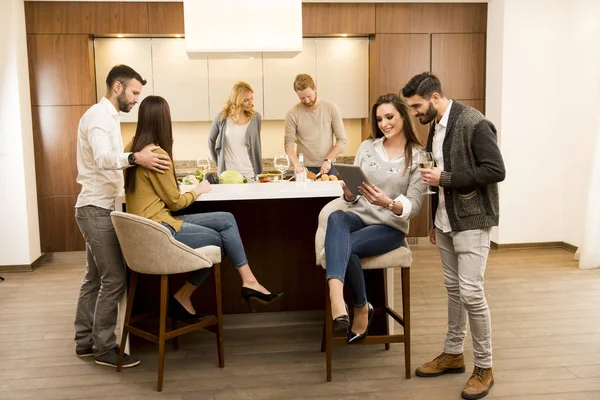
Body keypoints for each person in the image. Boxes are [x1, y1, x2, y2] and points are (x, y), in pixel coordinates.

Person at [125, 96, 282, 318]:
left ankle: (249, 281)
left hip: (151, 226)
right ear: (163, 121)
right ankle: (198, 291)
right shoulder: (157, 155)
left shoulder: (132, 150)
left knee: (227, 220)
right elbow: (176, 202)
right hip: (160, 229)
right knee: (225, 241)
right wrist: (198, 189)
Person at [401, 72, 506, 400]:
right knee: (453, 290)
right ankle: (453, 354)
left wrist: (445, 177)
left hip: (473, 220)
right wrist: (435, 220)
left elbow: (496, 170)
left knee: (472, 293)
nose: (414, 113)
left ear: (434, 98)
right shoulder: (435, 125)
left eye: (417, 106)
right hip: (447, 221)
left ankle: (484, 367)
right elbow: (435, 176)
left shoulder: (474, 122)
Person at [74, 64, 172, 368]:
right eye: (134, 92)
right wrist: (136, 157)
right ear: (117, 87)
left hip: (99, 207)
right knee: (115, 278)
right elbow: (104, 158)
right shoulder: (99, 118)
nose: (136, 99)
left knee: (95, 278)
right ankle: (104, 347)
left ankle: (83, 341)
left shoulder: (109, 118)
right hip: (96, 209)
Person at [325, 93, 425, 344]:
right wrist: (348, 194)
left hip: (389, 226)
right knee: (337, 216)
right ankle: (338, 299)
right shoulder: (367, 147)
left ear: (403, 115)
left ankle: (358, 306)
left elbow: (414, 204)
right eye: (379, 119)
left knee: (342, 247)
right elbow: (354, 195)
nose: (384, 123)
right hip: (360, 216)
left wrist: (389, 203)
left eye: (389, 117)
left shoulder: (418, 156)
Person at [284, 74, 347, 177]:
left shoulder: (331, 108)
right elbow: (288, 144)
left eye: (309, 96)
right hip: (304, 169)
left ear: (315, 88)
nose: (307, 101)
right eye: (302, 98)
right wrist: (297, 165)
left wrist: (328, 160)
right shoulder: (293, 113)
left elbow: (342, 139)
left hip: (328, 166)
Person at [208, 81, 262, 182]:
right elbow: (211, 141)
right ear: (237, 100)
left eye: (251, 98)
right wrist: (218, 163)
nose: (251, 103)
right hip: (228, 175)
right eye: (246, 100)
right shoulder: (222, 118)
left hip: (250, 173)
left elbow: (256, 145)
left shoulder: (256, 118)